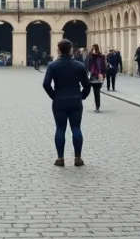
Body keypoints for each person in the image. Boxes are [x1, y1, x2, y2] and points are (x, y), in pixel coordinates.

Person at [42, 38, 90, 167]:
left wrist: (54, 96)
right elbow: (87, 85)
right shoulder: (79, 65)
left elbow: (46, 84)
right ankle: (78, 158)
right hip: (75, 100)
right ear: (71, 50)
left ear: (58, 50)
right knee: (76, 128)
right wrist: (82, 96)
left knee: (60, 128)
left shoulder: (53, 65)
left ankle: (60, 158)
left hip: (59, 100)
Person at [86, 45, 105, 112]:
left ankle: (97, 106)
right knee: (96, 92)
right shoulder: (91, 57)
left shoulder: (100, 57)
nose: (92, 50)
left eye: (93, 48)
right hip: (93, 75)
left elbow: (103, 67)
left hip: (97, 76)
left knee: (96, 92)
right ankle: (97, 106)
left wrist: (103, 76)